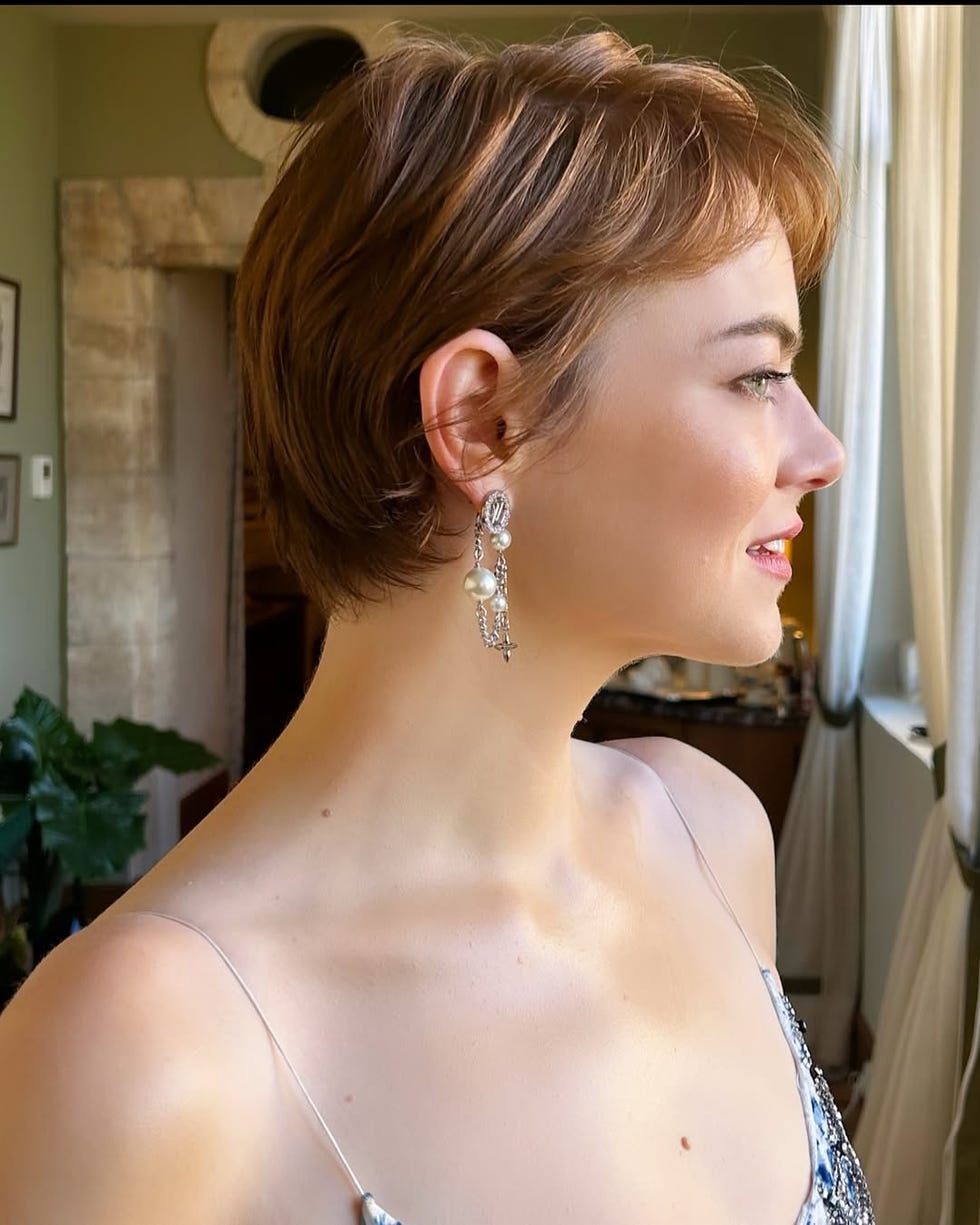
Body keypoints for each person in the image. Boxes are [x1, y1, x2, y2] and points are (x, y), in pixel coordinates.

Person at [0, 29, 873, 1225]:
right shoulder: (142, 1048)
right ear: (480, 423)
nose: (820, 452)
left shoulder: (706, 834)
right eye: (754, 377)